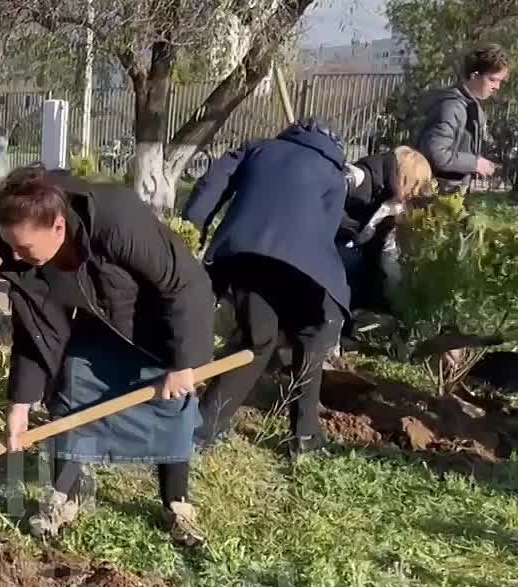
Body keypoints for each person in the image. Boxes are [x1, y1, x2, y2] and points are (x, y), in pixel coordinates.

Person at [0, 165, 214, 547]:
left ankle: (177, 504)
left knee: (173, 407)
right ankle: (64, 496)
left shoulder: (115, 218)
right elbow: (35, 324)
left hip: (156, 323)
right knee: (72, 384)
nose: (13, 255)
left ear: (59, 227)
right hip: (99, 320)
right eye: (9, 244)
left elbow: (184, 283)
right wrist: (22, 402)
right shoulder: (18, 239)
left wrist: (182, 363)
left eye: (23, 248)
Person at [183, 120, 349, 457]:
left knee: (256, 341)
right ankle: (305, 440)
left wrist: (193, 226)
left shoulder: (257, 148)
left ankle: (202, 430)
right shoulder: (334, 174)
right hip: (305, 266)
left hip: (244, 254)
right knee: (310, 341)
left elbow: (211, 184)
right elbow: (327, 232)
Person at [336, 146, 434, 315]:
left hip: (348, 246)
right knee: (351, 265)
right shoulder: (366, 179)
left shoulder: (390, 199)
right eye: (414, 186)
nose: (414, 194)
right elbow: (331, 201)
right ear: (404, 178)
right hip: (331, 242)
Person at [417, 44, 510, 194]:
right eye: (492, 80)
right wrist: (475, 163)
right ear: (474, 75)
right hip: (435, 197)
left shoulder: (471, 106)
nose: (497, 87)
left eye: (500, 81)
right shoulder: (452, 106)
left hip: (448, 196)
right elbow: (436, 154)